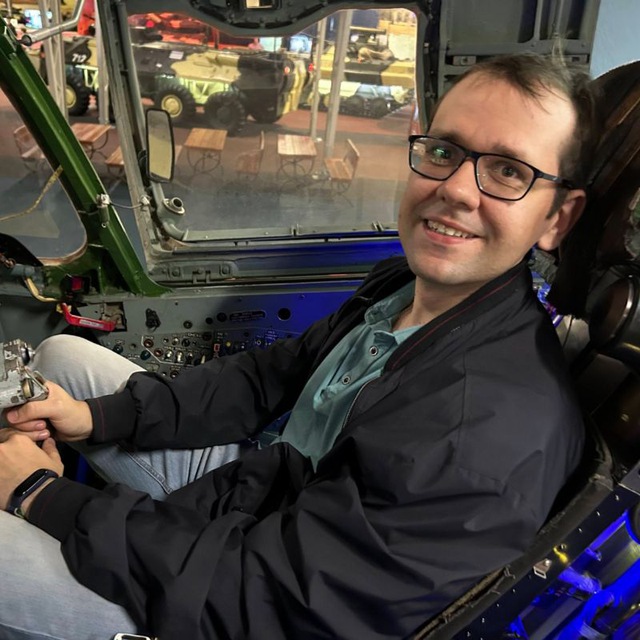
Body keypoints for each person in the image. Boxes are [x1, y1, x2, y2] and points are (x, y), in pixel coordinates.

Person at [0, 51, 601, 640]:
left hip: (242, 603)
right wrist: (98, 416)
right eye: (444, 152)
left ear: (558, 219)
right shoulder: (400, 287)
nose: (458, 190)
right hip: (267, 493)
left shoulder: (479, 432)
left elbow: (262, 598)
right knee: (62, 360)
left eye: (508, 171)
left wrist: (41, 496)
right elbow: (272, 375)